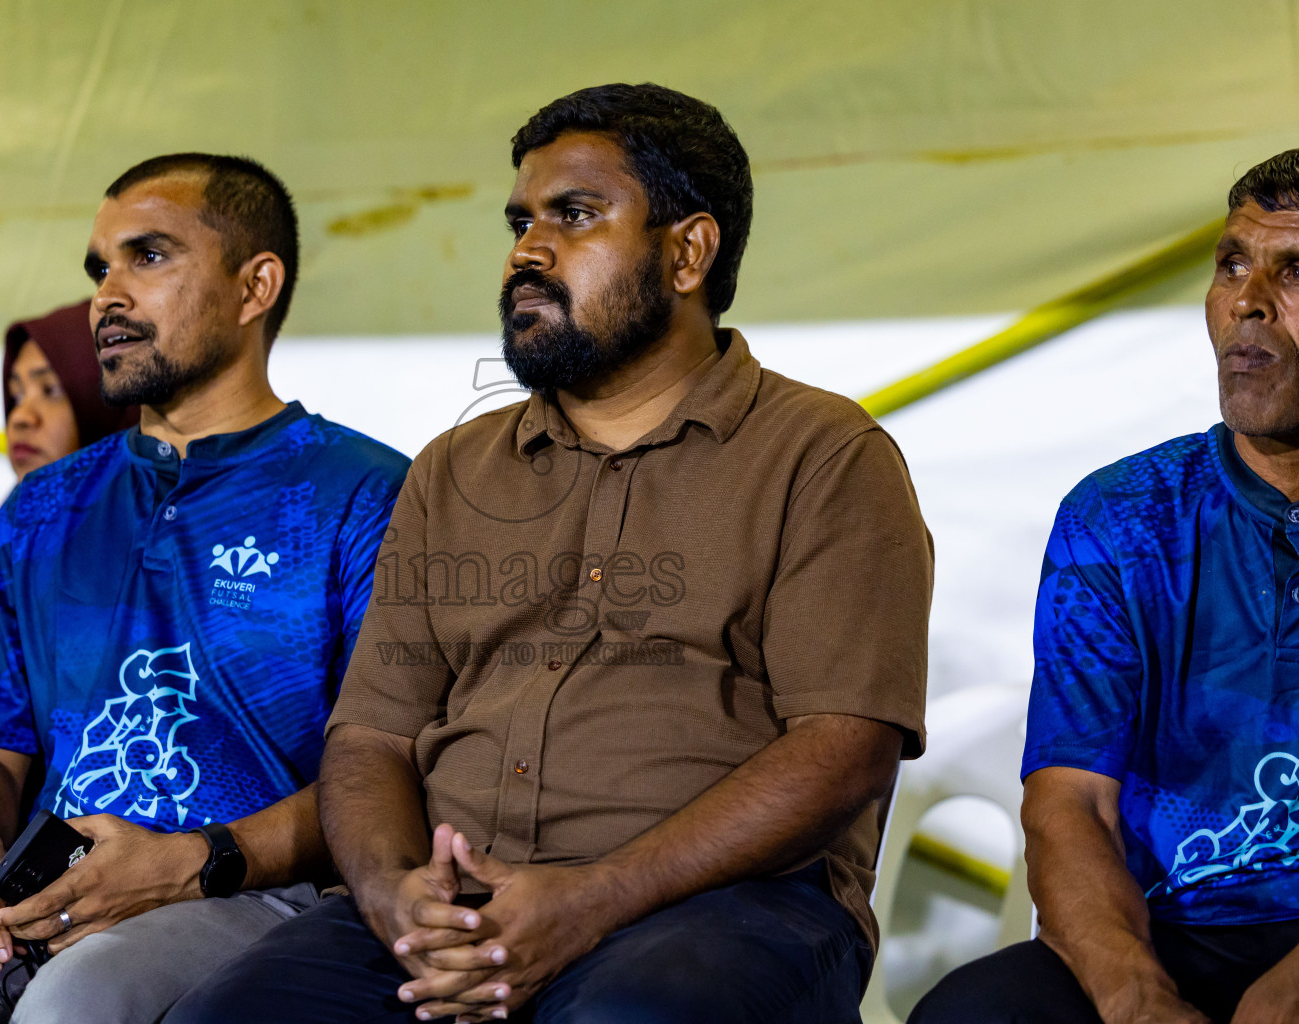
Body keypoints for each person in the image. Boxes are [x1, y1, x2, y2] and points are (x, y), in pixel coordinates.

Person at [167, 83, 934, 1024]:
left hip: (723, 909)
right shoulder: (456, 468)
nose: (528, 252)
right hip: (454, 904)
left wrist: (592, 898)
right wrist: (395, 900)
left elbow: (843, 748)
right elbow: (372, 736)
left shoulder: (824, 454)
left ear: (688, 252)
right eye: (521, 221)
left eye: (575, 216)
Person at [0, 152, 410, 1022]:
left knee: (76, 1005)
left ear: (256, 286)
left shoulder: (365, 493)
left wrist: (197, 859)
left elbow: (386, 759)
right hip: (36, 890)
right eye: (99, 266)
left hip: (248, 889)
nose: (108, 293)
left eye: (148, 257)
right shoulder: (43, 508)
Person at [908, 150, 1299, 1024]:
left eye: (1294, 270)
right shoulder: (1122, 518)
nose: (1249, 300)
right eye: (1232, 263)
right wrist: (1136, 997)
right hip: (1167, 930)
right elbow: (1070, 798)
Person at [2, 299, 138, 481]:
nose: (19, 418)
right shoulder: (16, 508)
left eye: (50, 390)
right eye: (16, 395)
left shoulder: (172, 505)